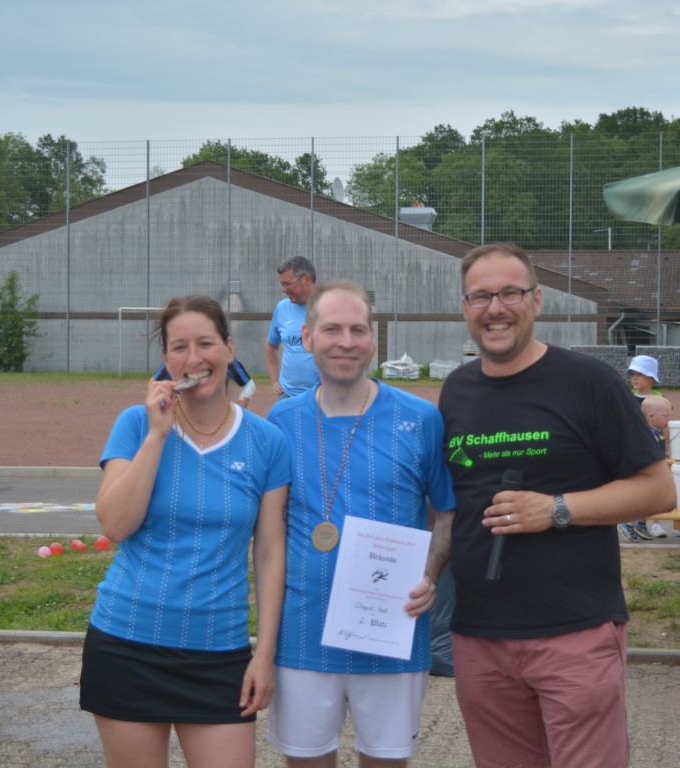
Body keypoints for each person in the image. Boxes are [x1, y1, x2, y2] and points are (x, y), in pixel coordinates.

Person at [434, 242, 676, 768]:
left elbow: (658, 490)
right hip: (480, 637)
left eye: (510, 293)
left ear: (537, 300)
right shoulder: (456, 391)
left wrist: (556, 509)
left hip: (574, 631)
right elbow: (452, 506)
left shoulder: (588, 382)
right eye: (480, 296)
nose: (495, 308)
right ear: (465, 307)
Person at [80, 295, 289, 768]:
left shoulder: (266, 441)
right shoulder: (136, 424)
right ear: (166, 360)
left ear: (230, 349)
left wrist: (264, 654)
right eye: (179, 347)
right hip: (127, 643)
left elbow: (270, 553)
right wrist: (157, 435)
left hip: (219, 650)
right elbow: (116, 525)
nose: (194, 358)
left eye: (206, 343)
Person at [266, 281, 456, 767]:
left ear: (373, 339)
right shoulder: (281, 421)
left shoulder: (421, 418)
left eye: (358, 330)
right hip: (302, 636)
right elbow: (269, 533)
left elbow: (446, 513)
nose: (346, 342)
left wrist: (430, 573)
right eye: (332, 329)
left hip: (391, 632)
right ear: (307, 337)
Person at [620, 365, 669, 542]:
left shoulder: (659, 398)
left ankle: (641, 522)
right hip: (641, 461)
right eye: (632, 374)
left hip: (655, 459)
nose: (634, 377)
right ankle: (628, 523)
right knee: (643, 494)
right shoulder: (629, 398)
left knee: (654, 494)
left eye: (640, 374)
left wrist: (668, 447)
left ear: (651, 378)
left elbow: (665, 431)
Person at [266, 255, 320, 398]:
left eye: (287, 284)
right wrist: (275, 381)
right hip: (287, 396)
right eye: (282, 284)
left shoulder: (331, 307)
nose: (283, 290)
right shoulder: (282, 308)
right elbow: (271, 346)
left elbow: (368, 347)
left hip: (322, 398)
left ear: (306, 280)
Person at [153, 356, 257, 407]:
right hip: (182, 420)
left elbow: (249, 386)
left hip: (215, 417)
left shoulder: (224, 358)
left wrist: (238, 412)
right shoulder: (174, 359)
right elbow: (155, 384)